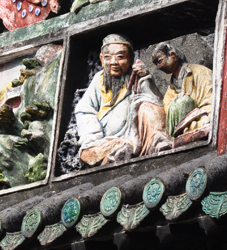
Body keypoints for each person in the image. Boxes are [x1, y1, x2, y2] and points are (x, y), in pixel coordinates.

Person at [74, 35, 172, 166]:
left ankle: (154, 143)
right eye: (108, 57)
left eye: (120, 57)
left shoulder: (137, 76)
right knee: (88, 154)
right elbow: (84, 110)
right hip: (107, 140)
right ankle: (118, 152)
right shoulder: (99, 80)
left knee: (147, 105)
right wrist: (94, 136)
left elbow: (156, 103)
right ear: (102, 60)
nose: (114, 62)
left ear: (131, 59)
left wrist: (145, 78)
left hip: (135, 135)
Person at [151, 43, 213, 136]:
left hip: (203, 118)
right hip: (182, 129)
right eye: (156, 64)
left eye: (160, 61)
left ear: (172, 55)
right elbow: (169, 114)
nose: (159, 67)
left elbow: (211, 99)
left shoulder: (200, 72)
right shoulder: (170, 90)